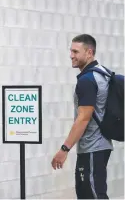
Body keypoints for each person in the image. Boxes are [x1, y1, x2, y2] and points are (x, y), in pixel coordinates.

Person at [51, 34, 113, 199]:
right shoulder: (103, 73)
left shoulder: (87, 80)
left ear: (89, 53)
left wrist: (64, 149)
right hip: (100, 145)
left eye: (76, 51)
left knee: (91, 194)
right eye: (71, 51)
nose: (71, 55)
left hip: (93, 146)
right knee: (89, 192)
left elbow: (83, 118)